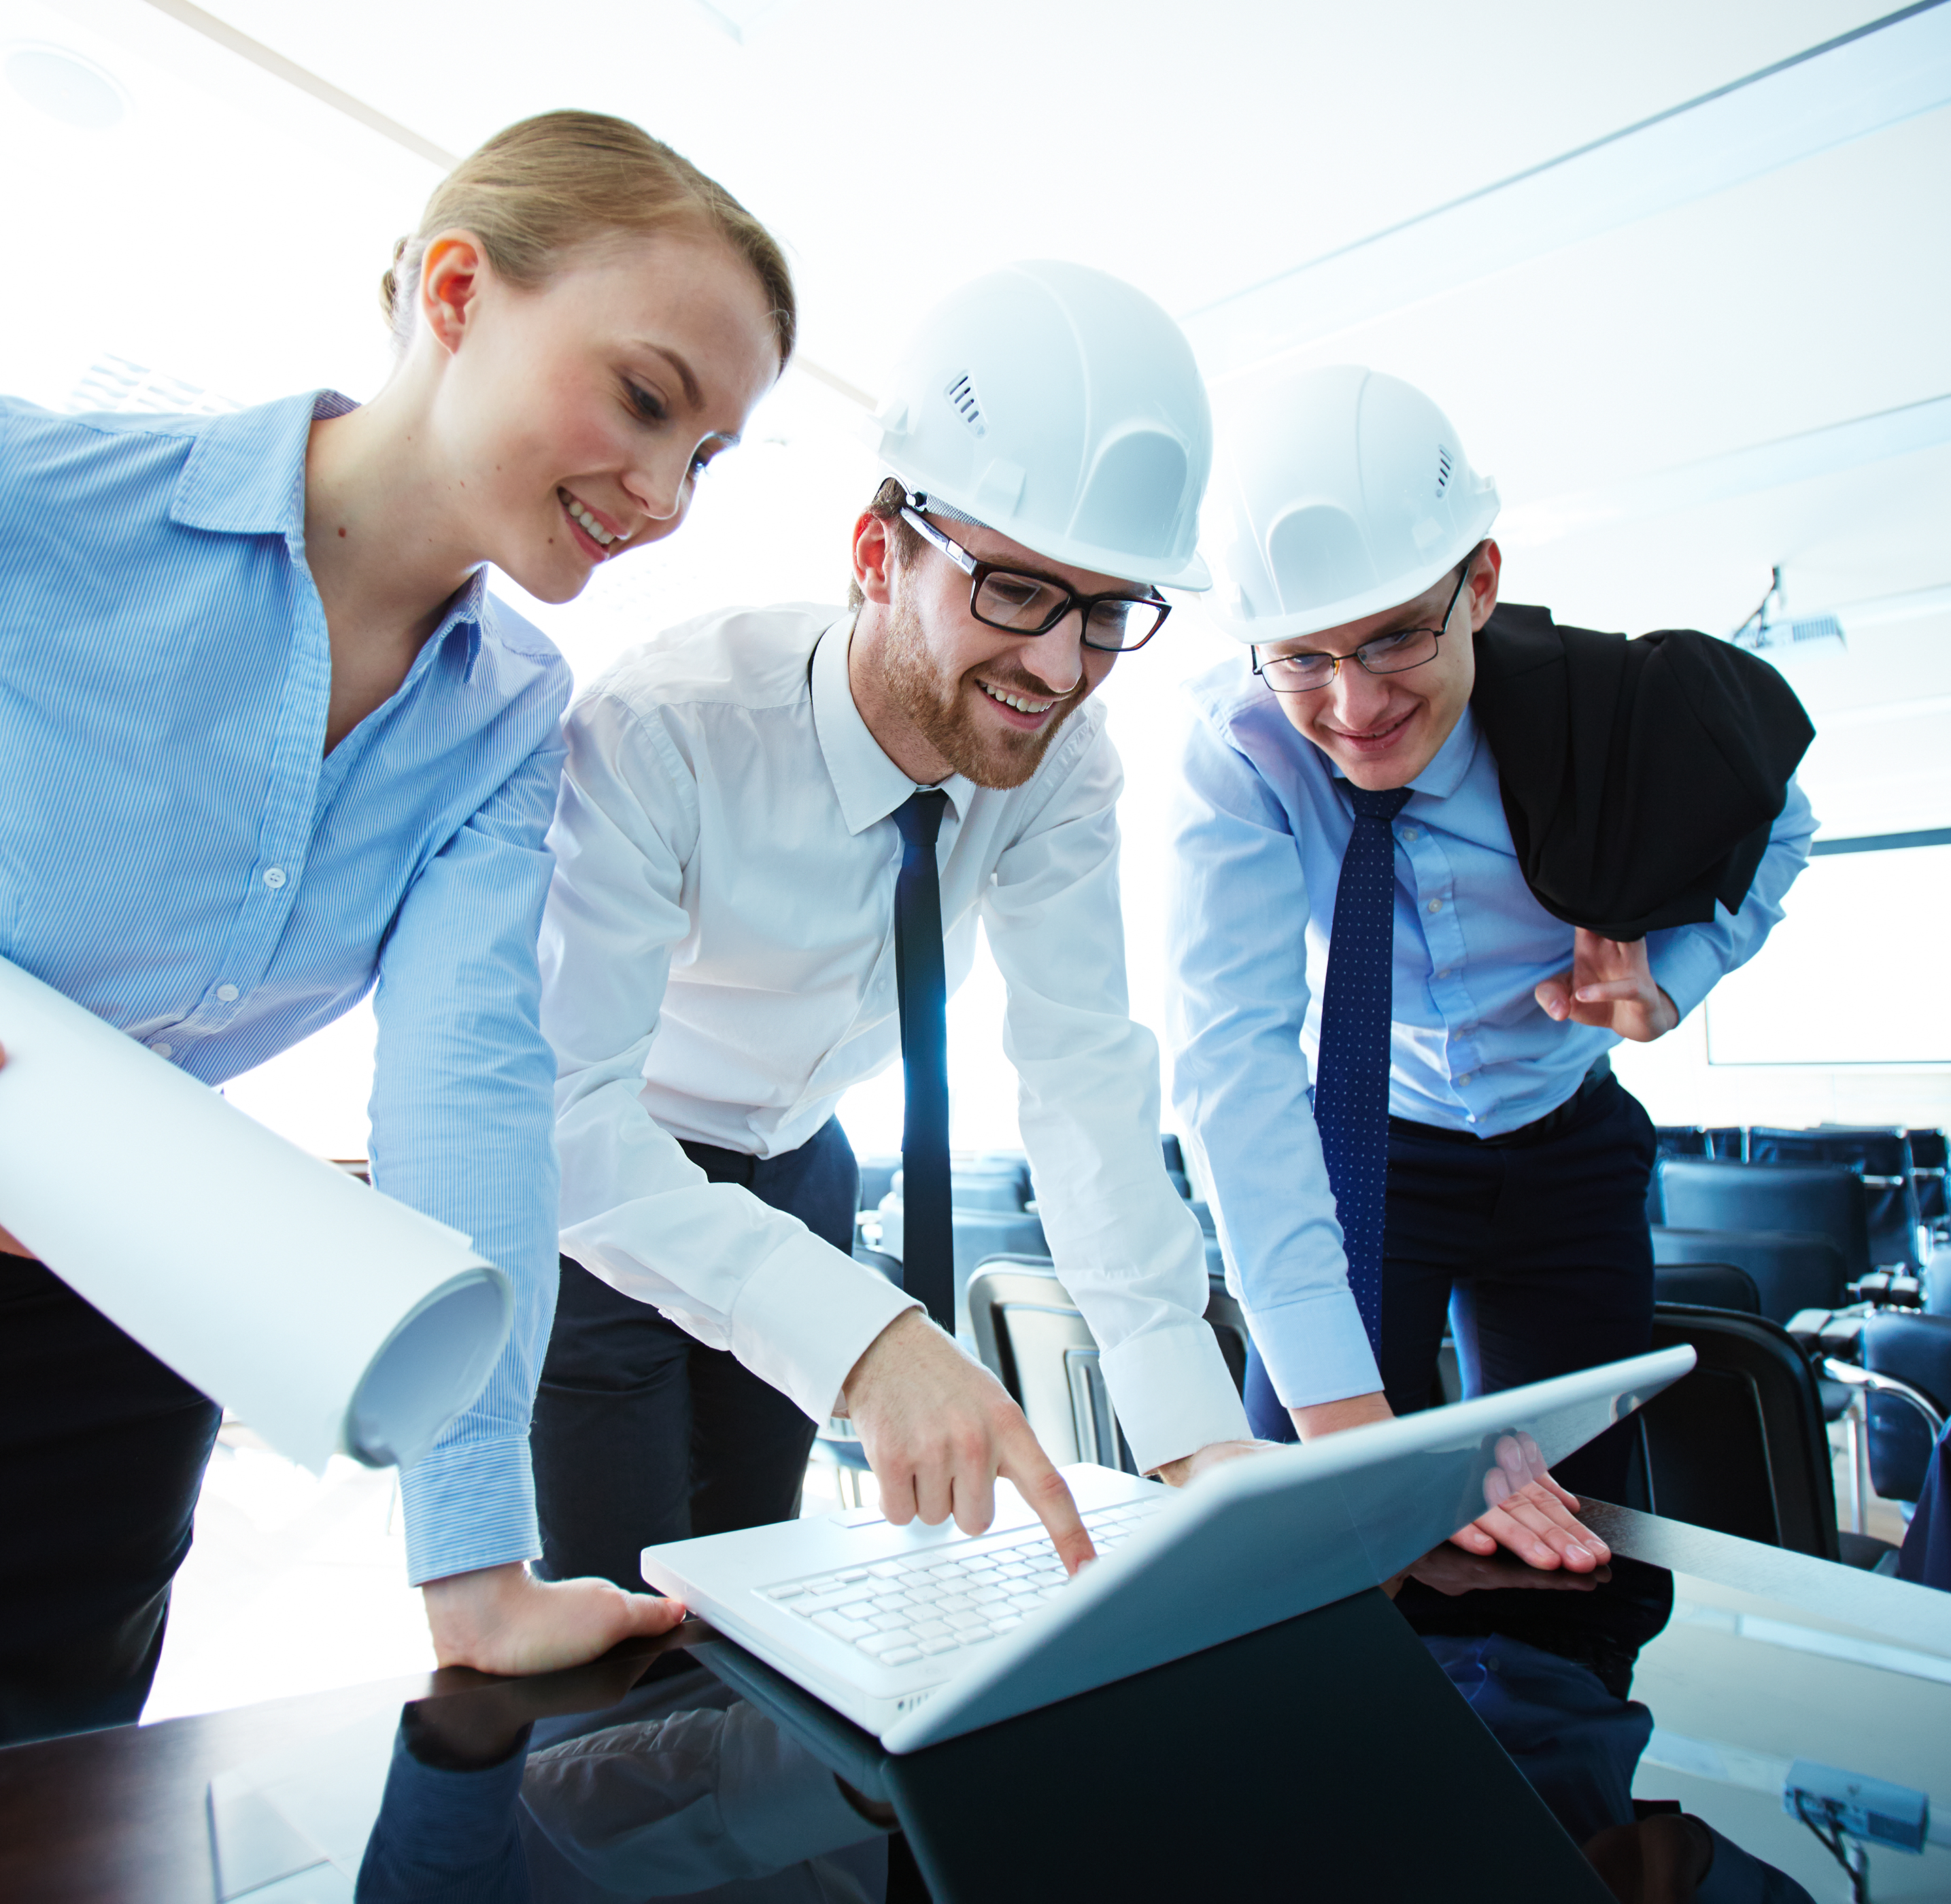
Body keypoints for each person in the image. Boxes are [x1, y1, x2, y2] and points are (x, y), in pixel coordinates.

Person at [0, 110, 790, 1801]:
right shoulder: (7, 501)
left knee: (45, 1824)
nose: (664, 493)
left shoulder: (506, 713)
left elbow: (468, 1100)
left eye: (708, 453)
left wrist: (475, 1565)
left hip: (117, 1318)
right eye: (645, 398)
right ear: (458, 291)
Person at [535, 262, 1259, 1592]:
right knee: (620, 1611)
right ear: (879, 554)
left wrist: (1199, 1441)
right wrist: (864, 1337)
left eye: (1106, 611)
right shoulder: (665, 729)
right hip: (607, 1192)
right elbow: (564, 1112)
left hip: (804, 1163)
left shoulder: (1065, 760)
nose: (1059, 665)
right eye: (1017, 589)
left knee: (756, 1582)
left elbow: (1085, 1077)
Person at [1171, 364, 1816, 1527]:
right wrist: (1346, 1451)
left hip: (1566, 1146)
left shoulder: (1613, 704)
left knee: (1570, 1529)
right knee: (1313, 1516)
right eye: (1304, 655)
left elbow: (1788, 817)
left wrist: (1675, 982)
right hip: (1371, 1152)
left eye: (1393, 640)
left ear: (1480, 585)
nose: (1353, 707)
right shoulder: (1245, 749)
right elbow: (1232, 1058)